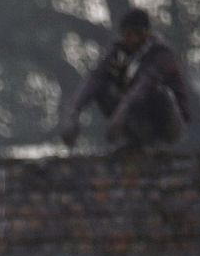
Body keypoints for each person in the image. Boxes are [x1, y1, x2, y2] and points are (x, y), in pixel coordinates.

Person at [61, 9, 192, 151]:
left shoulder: (161, 54)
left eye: (138, 34)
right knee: (104, 89)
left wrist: (120, 114)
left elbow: (146, 84)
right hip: (136, 116)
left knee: (160, 93)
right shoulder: (119, 53)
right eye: (128, 34)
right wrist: (74, 112)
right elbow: (96, 77)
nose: (133, 39)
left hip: (168, 123)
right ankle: (132, 140)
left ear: (147, 33)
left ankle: (157, 143)